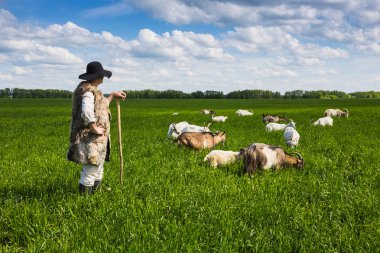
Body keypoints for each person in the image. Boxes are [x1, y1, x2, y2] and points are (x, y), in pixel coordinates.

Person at [67, 61, 126, 194]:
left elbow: (101, 105)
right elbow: (86, 112)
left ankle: (95, 195)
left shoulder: (92, 90)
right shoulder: (88, 92)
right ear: (97, 77)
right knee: (90, 169)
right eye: (102, 75)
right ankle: (85, 202)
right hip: (90, 139)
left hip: (96, 140)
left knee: (97, 167)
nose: (103, 77)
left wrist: (111, 95)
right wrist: (93, 127)